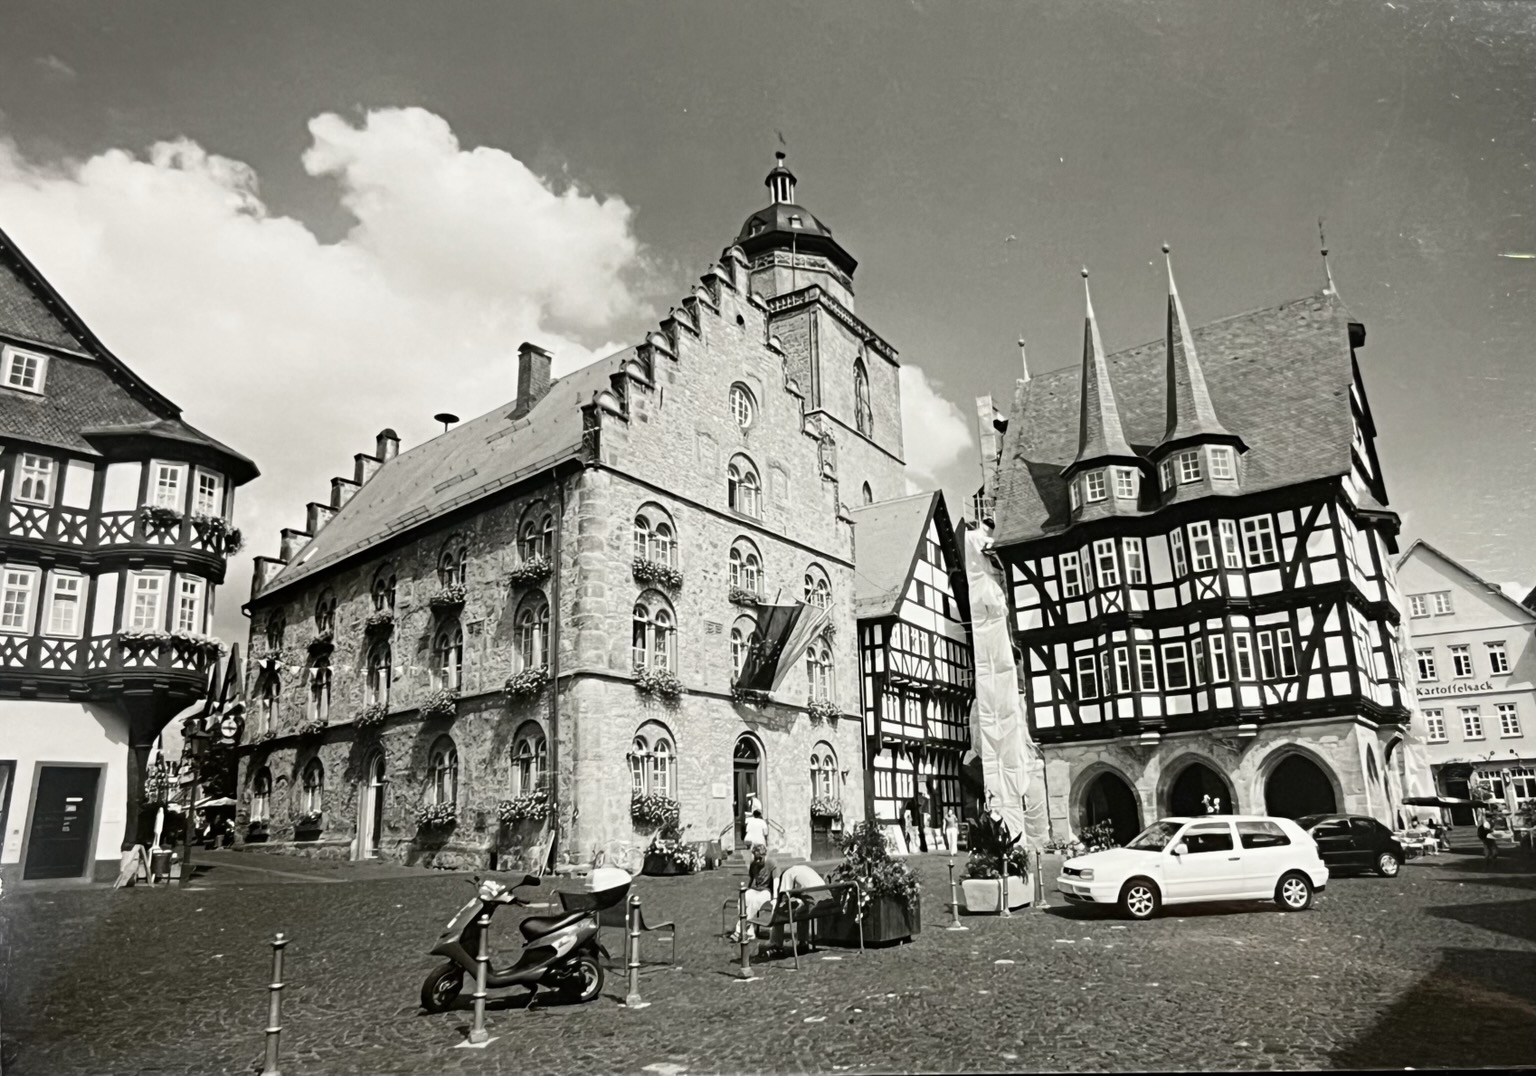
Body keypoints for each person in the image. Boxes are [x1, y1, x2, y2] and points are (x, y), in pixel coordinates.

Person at [730, 843, 777, 943]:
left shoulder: (772, 863)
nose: (758, 861)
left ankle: (739, 931)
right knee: (743, 900)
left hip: (767, 891)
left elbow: (776, 880)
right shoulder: (753, 864)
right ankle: (750, 933)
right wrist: (747, 890)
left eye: (760, 858)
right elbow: (751, 878)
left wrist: (776, 898)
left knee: (755, 902)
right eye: (756, 858)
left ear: (764, 855)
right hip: (755, 889)